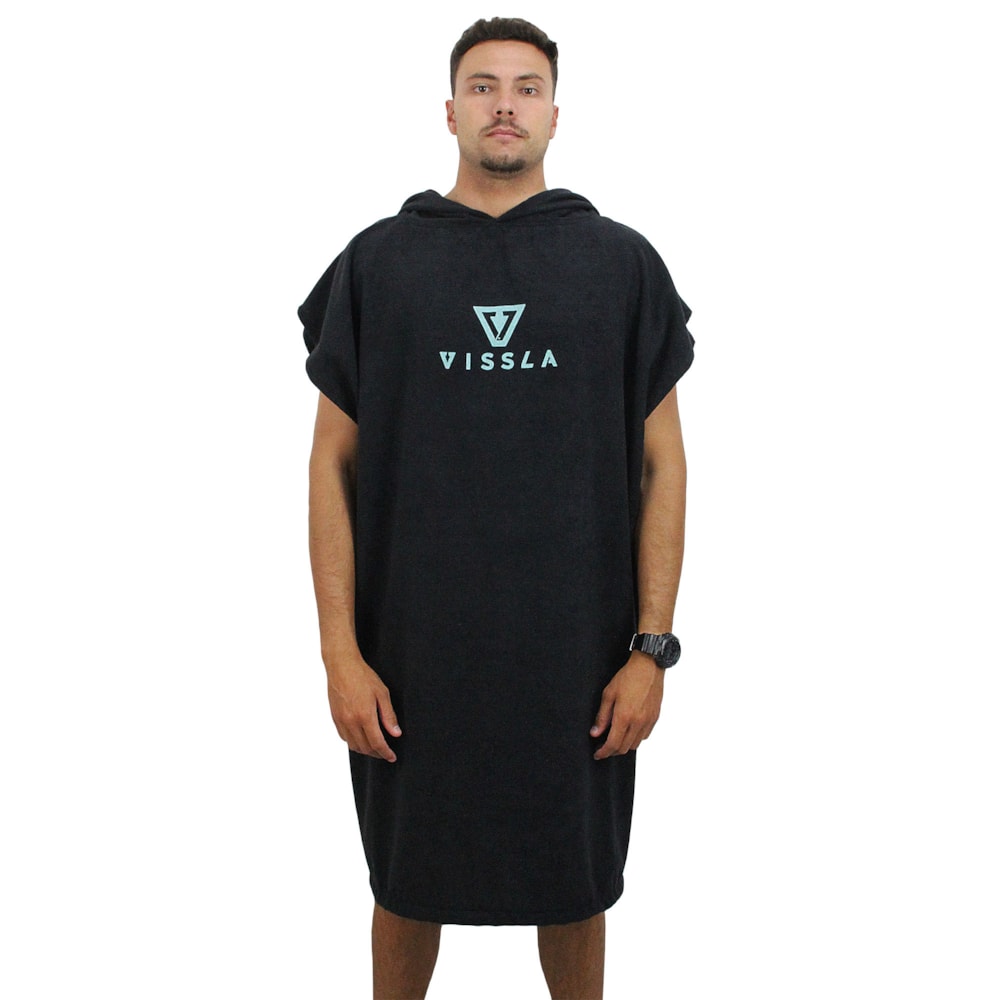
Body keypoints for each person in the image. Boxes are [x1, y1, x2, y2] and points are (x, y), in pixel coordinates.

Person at [299, 16, 694, 999]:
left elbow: (664, 465)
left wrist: (650, 650)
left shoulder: (619, 264)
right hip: (411, 659)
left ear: (556, 114)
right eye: (483, 86)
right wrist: (340, 653)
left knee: (577, 887)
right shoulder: (379, 263)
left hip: (579, 659)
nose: (504, 105)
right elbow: (329, 466)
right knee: (403, 886)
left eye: (526, 87)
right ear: (449, 112)